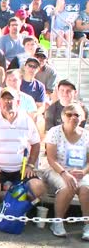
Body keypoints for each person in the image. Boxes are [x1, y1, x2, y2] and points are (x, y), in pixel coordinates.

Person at [0, 88, 45, 206]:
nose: (7, 102)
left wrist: (30, 165)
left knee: (39, 187)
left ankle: (15, 203)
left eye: (11, 99)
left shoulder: (27, 120)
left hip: (21, 169)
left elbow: (36, 144)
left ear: (18, 103)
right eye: (4, 99)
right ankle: (6, 204)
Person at [40, 103, 89, 240]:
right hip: (57, 170)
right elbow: (51, 159)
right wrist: (65, 174)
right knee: (68, 186)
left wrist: (84, 172)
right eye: (69, 114)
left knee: (86, 188)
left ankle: (87, 225)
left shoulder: (87, 135)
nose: (73, 117)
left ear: (82, 118)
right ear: (63, 117)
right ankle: (57, 222)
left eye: (77, 115)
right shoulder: (54, 132)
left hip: (80, 171)